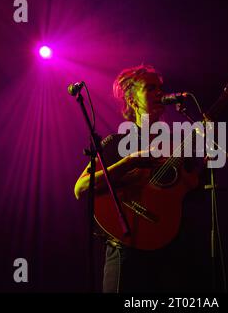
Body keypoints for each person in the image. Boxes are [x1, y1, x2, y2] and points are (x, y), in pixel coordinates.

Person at [74, 64, 202, 293]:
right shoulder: (116, 143)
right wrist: (129, 162)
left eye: (160, 88)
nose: (159, 93)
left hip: (170, 249)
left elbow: (193, 187)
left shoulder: (177, 144)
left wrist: (194, 176)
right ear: (132, 100)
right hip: (127, 250)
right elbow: (81, 187)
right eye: (150, 88)